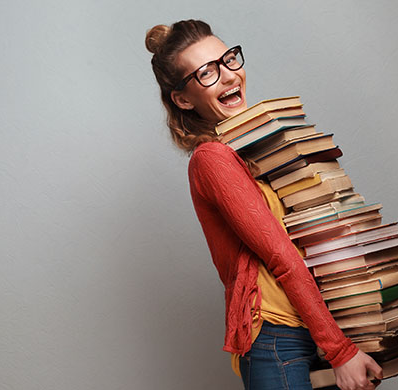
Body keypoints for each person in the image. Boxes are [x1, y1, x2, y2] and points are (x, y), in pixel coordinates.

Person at [145, 19, 383, 390]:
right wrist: (340, 351)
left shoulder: (257, 146)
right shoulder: (212, 159)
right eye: (207, 72)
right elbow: (281, 255)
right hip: (277, 337)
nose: (228, 76)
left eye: (228, 60)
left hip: (318, 326)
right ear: (183, 98)